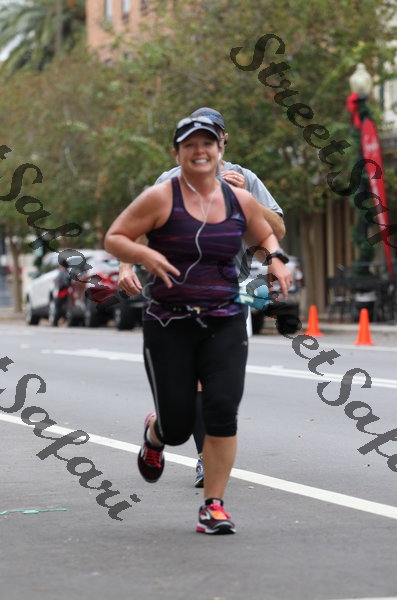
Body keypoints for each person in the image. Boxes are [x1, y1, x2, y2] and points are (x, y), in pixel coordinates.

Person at [104, 116, 292, 534]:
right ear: (177, 153)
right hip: (169, 320)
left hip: (225, 316)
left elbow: (267, 234)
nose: (200, 151)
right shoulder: (161, 195)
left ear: (221, 147)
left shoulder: (240, 194)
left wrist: (276, 260)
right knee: (177, 425)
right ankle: (156, 433)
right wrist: (140, 259)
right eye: (190, 144)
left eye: (208, 143)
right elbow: (117, 236)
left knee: (221, 409)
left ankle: (213, 505)